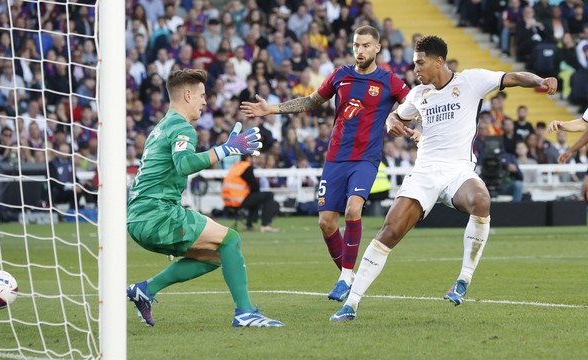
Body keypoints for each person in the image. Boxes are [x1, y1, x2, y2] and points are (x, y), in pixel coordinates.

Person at [330, 35, 558, 321]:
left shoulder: (471, 82)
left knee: (481, 200)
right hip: (424, 171)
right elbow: (395, 117)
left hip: (458, 170)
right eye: (415, 64)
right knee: (390, 232)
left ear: (439, 61)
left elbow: (513, 77)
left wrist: (539, 80)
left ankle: (463, 279)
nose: (416, 70)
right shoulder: (417, 94)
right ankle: (351, 303)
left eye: (420, 63)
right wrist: (392, 124)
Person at [240, 26, 409, 302]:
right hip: (335, 158)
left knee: (353, 209)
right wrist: (271, 109)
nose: (360, 51)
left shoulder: (390, 81)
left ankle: (344, 277)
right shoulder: (341, 75)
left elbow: (412, 104)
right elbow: (310, 101)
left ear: (378, 48)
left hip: (366, 158)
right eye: (356, 45)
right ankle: (350, 276)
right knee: (326, 223)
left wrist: (399, 121)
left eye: (366, 45)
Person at [126, 69, 283, 328]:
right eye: (201, 95)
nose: (205, 101)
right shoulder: (182, 128)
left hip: (139, 217)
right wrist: (225, 149)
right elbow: (184, 164)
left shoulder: (161, 127)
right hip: (157, 213)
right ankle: (245, 313)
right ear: (187, 95)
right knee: (231, 240)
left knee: (215, 255)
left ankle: (146, 290)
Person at [222, 154, 280, 232]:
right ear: (248, 158)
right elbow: (254, 186)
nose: (255, 160)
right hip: (238, 200)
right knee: (269, 195)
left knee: (255, 197)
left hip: (229, 201)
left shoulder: (236, 166)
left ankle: (249, 225)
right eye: (253, 158)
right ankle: (265, 225)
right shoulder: (247, 167)